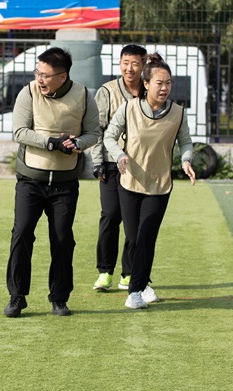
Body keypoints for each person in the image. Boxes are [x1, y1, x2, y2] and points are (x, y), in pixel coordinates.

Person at [4, 47, 100, 317]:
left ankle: (59, 298)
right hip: (30, 181)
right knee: (21, 233)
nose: (40, 79)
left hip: (65, 184)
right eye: (38, 73)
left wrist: (77, 143)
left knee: (62, 239)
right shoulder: (29, 92)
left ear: (63, 76)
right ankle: (17, 297)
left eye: (45, 75)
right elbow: (19, 131)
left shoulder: (83, 95)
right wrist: (51, 143)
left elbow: (94, 132)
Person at [103, 53, 196, 309]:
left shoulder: (177, 113)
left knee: (146, 237)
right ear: (146, 84)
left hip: (160, 186)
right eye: (159, 83)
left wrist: (186, 160)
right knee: (133, 238)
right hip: (130, 183)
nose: (165, 88)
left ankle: (135, 291)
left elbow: (185, 141)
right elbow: (109, 136)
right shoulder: (129, 108)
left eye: (168, 83)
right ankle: (142, 285)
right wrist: (119, 155)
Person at [91, 44, 147, 291]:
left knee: (134, 221)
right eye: (125, 62)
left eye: (134, 63)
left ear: (144, 64)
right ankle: (105, 272)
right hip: (112, 164)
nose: (129, 68)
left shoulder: (149, 90)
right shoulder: (107, 91)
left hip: (141, 165)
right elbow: (96, 129)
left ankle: (129, 272)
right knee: (110, 215)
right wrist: (97, 162)